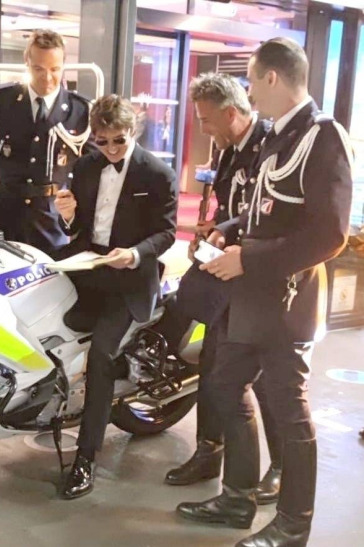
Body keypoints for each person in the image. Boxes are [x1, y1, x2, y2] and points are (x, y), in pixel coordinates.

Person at [175, 38, 353, 547]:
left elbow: (330, 235)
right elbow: (265, 210)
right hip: (252, 297)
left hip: (287, 300)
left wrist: (248, 258)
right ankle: (238, 498)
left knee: (288, 410)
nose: (249, 91)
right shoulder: (281, 135)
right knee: (224, 386)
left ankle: (294, 525)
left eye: (252, 81)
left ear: (272, 77)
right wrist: (229, 230)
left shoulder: (322, 136)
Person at [154, 73, 282, 505]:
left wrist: (228, 230)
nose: (204, 129)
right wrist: (214, 230)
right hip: (224, 271)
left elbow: (271, 215)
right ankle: (209, 452)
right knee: (212, 364)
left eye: (207, 120)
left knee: (265, 381)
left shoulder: (271, 146)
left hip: (261, 277)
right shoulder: (230, 148)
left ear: (230, 113)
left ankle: (280, 468)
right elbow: (231, 205)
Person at [54, 94, 178, 499]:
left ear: (133, 131)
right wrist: (68, 216)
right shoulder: (85, 167)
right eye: (102, 141)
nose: (109, 149)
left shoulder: (157, 173)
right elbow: (77, 230)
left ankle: (86, 458)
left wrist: (135, 254)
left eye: (118, 141)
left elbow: (167, 232)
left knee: (101, 357)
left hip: (130, 278)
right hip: (88, 268)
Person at [0, 29, 91, 256]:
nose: (47, 78)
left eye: (55, 69)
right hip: (5, 215)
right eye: (38, 69)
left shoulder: (80, 110)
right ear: (27, 62)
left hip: (51, 219)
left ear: (64, 65)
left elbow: (91, 168)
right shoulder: (3, 101)